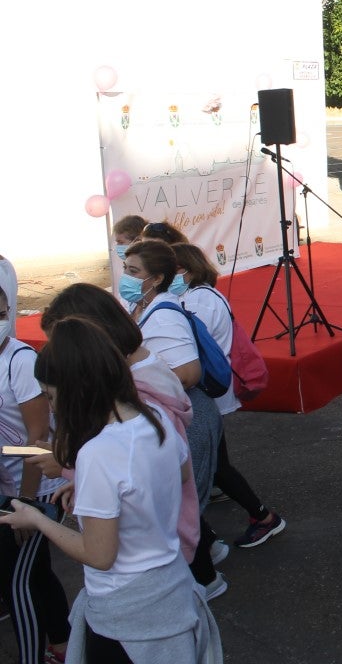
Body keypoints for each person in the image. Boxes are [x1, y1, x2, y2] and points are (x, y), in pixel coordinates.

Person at [2, 317, 222, 662]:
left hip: (127, 614)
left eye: (51, 395)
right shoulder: (154, 417)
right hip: (173, 588)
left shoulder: (98, 453)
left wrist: (36, 518)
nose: (52, 406)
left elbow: (99, 555)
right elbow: (178, 476)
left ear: (78, 388)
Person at [120, 239, 227, 598]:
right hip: (174, 416)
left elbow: (188, 372)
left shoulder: (163, 313)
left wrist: (136, 382)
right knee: (183, 502)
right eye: (127, 269)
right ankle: (208, 553)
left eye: (135, 272)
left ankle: (205, 582)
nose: (127, 277)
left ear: (158, 277)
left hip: (186, 418)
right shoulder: (145, 305)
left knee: (180, 504)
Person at [169, 244, 285, 548]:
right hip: (206, 395)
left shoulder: (199, 300)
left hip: (205, 395)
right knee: (214, 466)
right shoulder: (196, 296)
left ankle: (259, 518)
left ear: (188, 271)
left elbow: (190, 354)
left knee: (212, 467)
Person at [0, 287, 70, 664]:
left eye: (1, 313)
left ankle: (35, 655)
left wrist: (26, 503)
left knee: (18, 581)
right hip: (9, 484)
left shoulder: (21, 361)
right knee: (35, 571)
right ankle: (62, 643)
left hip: (36, 487)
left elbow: (37, 440)